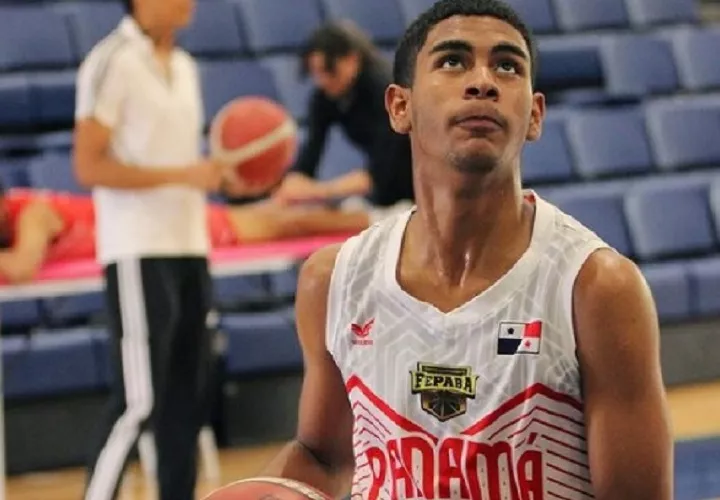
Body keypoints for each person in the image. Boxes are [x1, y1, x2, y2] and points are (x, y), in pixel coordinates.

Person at [258, 0, 674, 499]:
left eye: (507, 65)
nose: (483, 81)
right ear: (399, 107)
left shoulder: (597, 289)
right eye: (453, 61)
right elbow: (324, 457)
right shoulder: (334, 281)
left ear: (535, 115)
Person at [71, 0, 224, 498]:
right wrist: (182, 175)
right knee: (140, 400)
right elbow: (89, 167)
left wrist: (209, 173)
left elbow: (181, 161)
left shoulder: (185, 66)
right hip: (137, 249)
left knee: (187, 397)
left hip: (190, 244)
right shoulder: (112, 59)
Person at [0, 188, 369, 283]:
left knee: (280, 224)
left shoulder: (34, 213)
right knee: (271, 219)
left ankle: (369, 217)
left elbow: (20, 269)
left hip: (167, 228)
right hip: (153, 226)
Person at [270, 21, 415, 222]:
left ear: (352, 59)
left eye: (329, 71)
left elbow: (384, 167)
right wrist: (289, 187)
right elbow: (311, 153)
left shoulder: (385, 92)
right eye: (316, 73)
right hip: (385, 190)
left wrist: (318, 191)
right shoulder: (325, 98)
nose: (323, 81)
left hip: (415, 184)